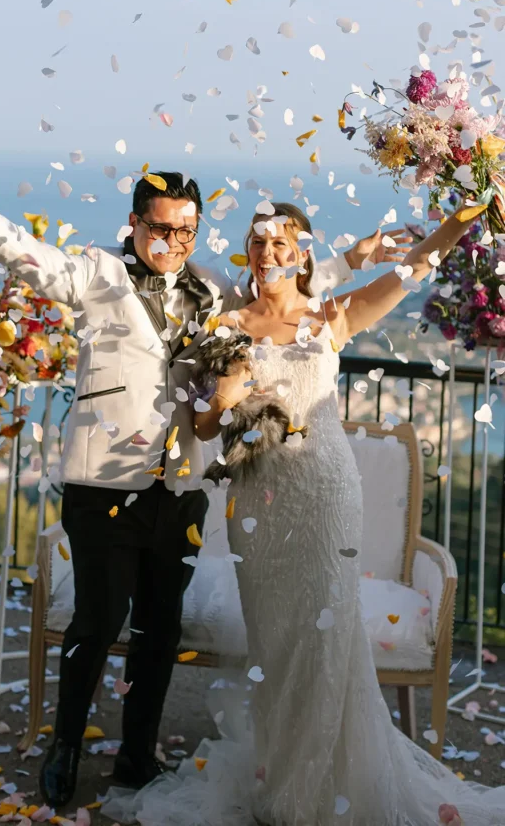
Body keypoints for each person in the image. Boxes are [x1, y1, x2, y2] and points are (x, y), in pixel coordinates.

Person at [0, 136, 410, 807]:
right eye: (162, 227)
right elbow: (26, 257)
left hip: (179, 489)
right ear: (135, 223)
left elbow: (288, 280)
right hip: (103, 484)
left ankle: (135, 757)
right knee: (97, 623)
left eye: (186, 230)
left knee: (158, 630)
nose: (174, 241)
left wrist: (359, 255)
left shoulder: (212, 292)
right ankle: (65, 746)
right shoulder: (97, 275)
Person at [102, 201, 505, 826]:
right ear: (249, 252)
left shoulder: (331, 317)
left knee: (323, 641)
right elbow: (205, 424)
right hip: (256, 505)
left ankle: (317, 796)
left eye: (281, 244)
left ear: (304, 253)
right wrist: (225, 401)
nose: (268, 254)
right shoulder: (227, 325)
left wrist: (459, 221)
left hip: (324, 497)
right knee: (277, 643)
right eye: (258, 244)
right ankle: (281, 781)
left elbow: (415, 269)